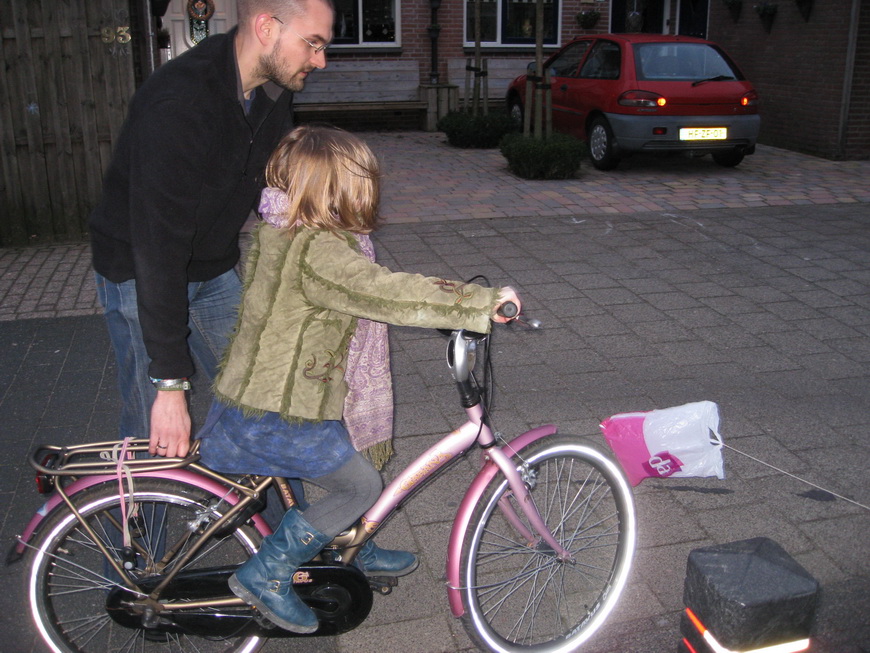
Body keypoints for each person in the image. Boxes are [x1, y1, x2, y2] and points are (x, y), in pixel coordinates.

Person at [196, 124, 521, 634]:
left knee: (345, 448)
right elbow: (381, 291)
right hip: (277, 414)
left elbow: (361, 294)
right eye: (363, 185)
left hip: (267, 398)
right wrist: (480, 301)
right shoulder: (320, 252)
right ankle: (267, 574)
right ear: (339, 191)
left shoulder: (279, 228)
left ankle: (351, 544)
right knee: (359, 483)